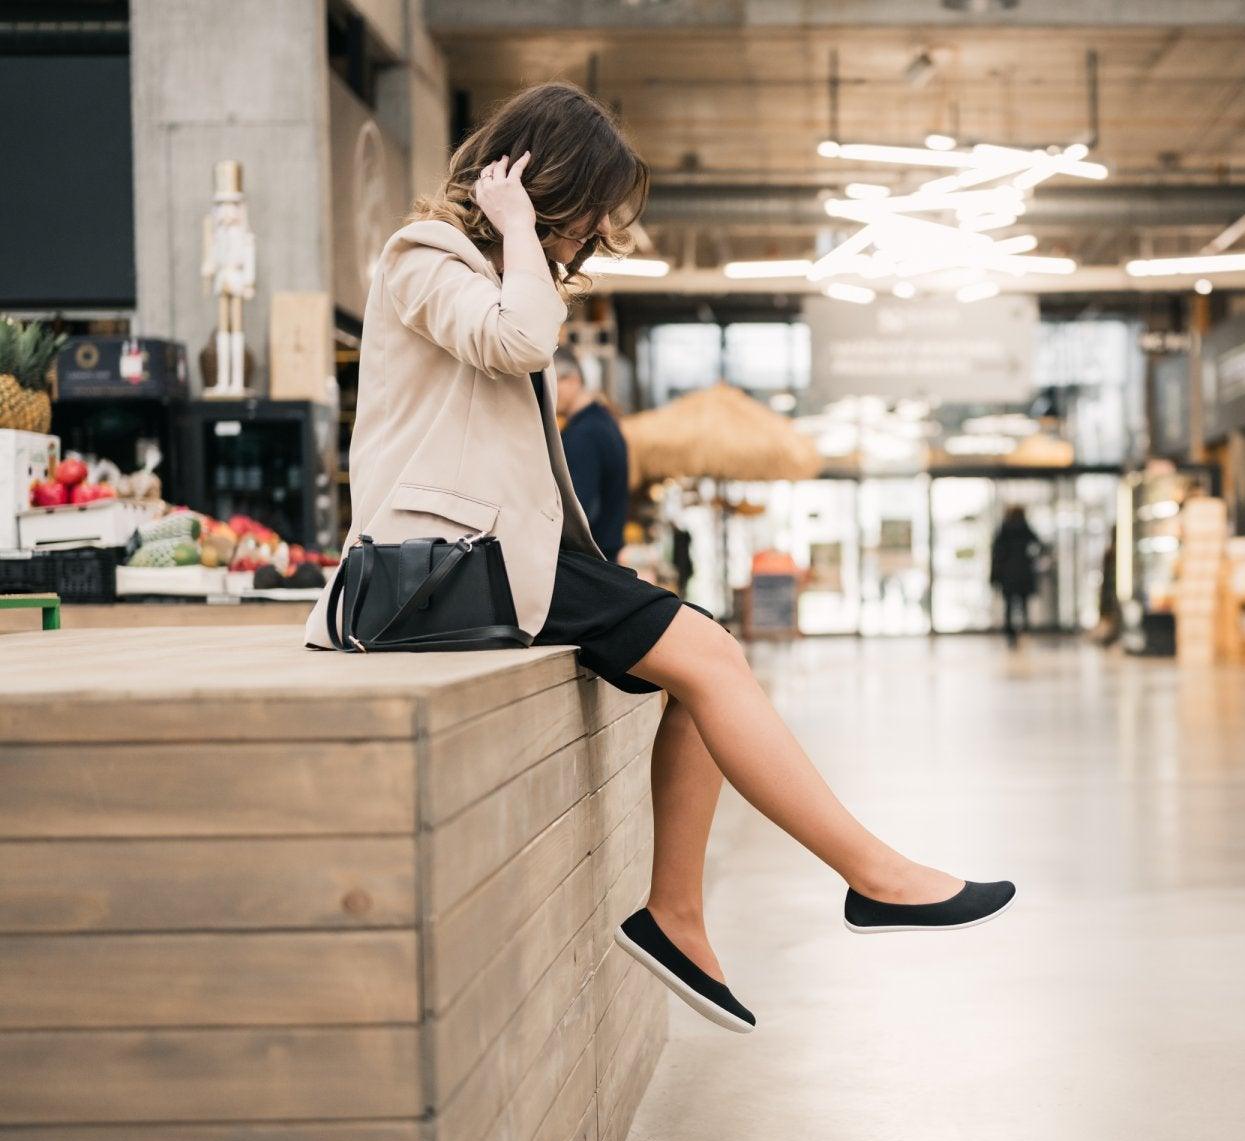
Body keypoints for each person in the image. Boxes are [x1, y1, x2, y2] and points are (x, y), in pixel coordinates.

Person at [301, 82, 1012, 1034]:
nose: (596, 229)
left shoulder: (493, 266)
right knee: (713, 656)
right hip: (441, 566)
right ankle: (865, 876)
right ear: (538, 179)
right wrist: (515, 224)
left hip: (500, 555)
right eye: (588, 202)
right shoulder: (422, 255)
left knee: (708, 658)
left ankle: (684, 916)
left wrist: (522, 240)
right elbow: (518, 341)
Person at [552, 351, 630, 559]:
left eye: (552, 382)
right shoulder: (604, 421)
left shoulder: (583, 435)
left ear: (573, 380)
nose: (547, 393)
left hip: (591, 562)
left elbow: (578, 512)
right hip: (606, 557)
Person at [990, 504, 1045, 648]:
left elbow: (996, 553)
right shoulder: (1026, 529)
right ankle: (1024, 630)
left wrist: (996, 573)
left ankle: (1010, 633)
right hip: (1024, 573)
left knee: (1009, 605)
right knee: (1023, 605)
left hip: (1008, 574)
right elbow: (1038, 544)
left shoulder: (1004, 530)